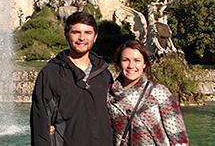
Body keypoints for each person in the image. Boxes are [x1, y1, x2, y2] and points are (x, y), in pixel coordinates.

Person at [30, 12, 113, 146]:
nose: (82, 38)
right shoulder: (50, 74)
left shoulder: (104, 74)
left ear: (95, 37)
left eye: (88, 32)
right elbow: (40, 123)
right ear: (67, 34)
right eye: (76, 32)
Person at [107, 40, 189, 146]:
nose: (131, 65)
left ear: (144, 64)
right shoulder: (109, 96)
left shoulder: (159, 93)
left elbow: (178, 137)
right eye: (125, 60)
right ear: (119, 63)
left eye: (137, 60)